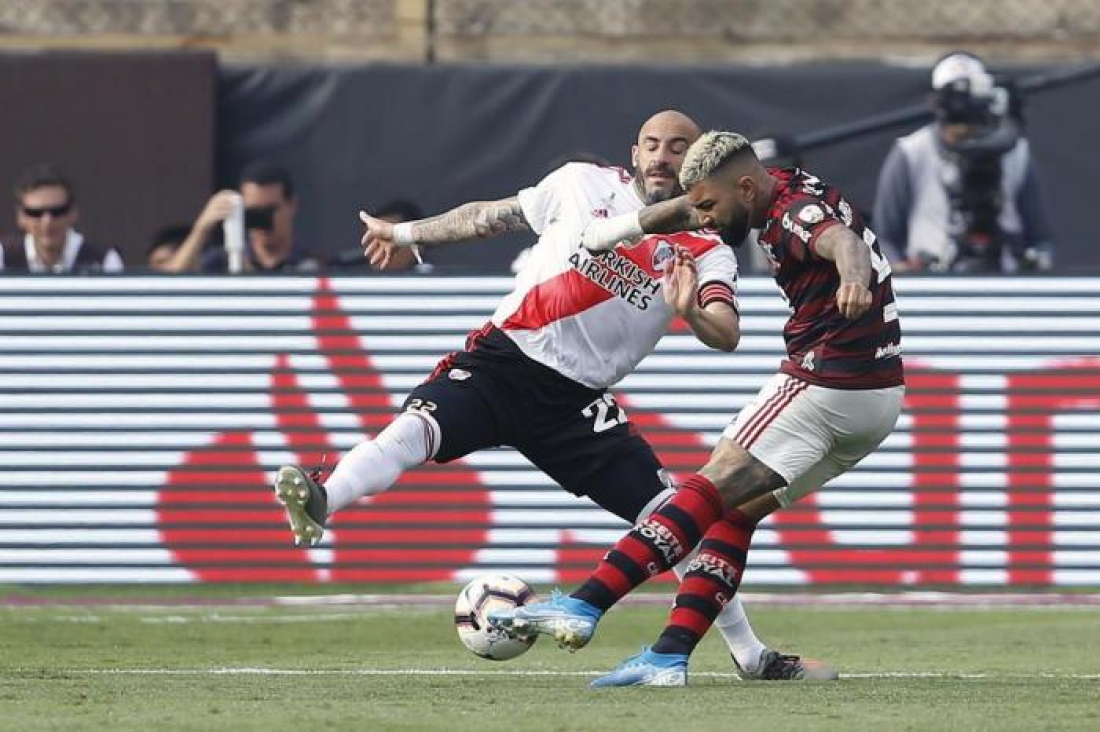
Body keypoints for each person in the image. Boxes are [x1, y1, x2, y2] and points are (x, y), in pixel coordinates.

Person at [274, 110, 833, 681]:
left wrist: (690, 311)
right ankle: (326, 498)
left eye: (678, 147)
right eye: (653, 145)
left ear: (696, 162)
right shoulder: (579, 184)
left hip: (578, 403)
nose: (663, 156)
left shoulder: (707, 244)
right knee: (414, 429)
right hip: (504, 363)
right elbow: (488, 218)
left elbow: (727, 330)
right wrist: (405, 235)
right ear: (634, 153)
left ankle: (749, 654)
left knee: (677, 523)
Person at [489, 130, 904, 687]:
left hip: (826, 379)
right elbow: (683, 209)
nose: (703, 219)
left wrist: (852, 278)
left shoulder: (791, 212)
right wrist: (610, 231)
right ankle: (668, 656)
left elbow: (842, 244)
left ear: (747, 187)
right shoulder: (775, 186)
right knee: (736, 512)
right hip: (877, 401)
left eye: (710, 206)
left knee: (703, 489)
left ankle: (586, 603)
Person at [873, 52, 1054, 273]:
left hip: (1004, 275)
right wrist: (900, 268)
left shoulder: (1014, 152)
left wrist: (1035, 263)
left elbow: (1041, 237)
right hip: (930, 279)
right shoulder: (911, 153)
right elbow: (886, 235)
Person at [178, 163, 319, 274]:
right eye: (254, 211)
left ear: (293, 205)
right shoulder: (222, 260)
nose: (264, 219)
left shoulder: (313, 265)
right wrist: (201, 229)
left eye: (270, 209)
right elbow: (169, 291)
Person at [0, 164, 123, 273]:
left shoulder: (104, 261)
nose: (47, 221)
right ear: (21, 217)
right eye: (35, 213)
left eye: (57, 211)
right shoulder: (3, 258)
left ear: (73, 213)